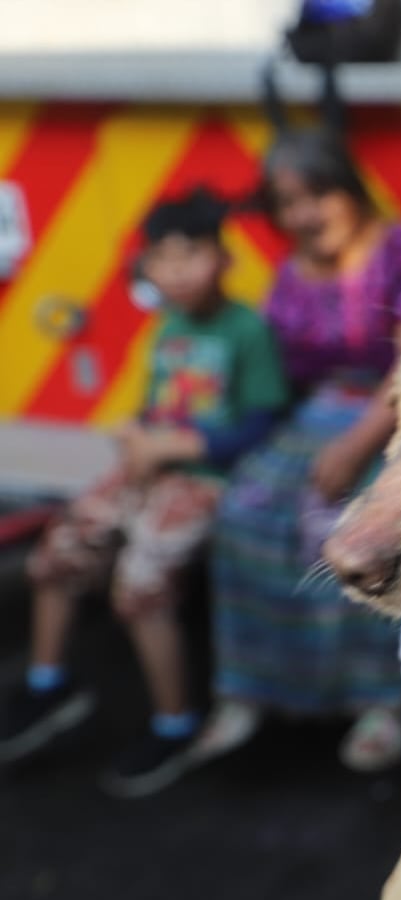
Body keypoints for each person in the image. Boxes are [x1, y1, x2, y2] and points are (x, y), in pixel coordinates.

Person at [0, 189, 289, 796]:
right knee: (57, 552)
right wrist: (137, 428)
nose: (179, 270)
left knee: (139, 584)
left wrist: (176, 448)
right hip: (149, 469)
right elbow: (163, 403)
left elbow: (261, 422)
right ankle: (48, 685)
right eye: (164, 258)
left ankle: (175, 721)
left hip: (206, 480)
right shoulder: (167, 328)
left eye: (193, 254)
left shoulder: (247, 330)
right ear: (146, 269)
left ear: (224, 258)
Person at [195, 132, 401, 773]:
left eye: (317, 194)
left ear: (349, 188)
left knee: (361, 529)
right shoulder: (288, 274)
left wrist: (357, 445)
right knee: (248, 514)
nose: (305, 214)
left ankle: (380, 703)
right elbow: (285, 378)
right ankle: (251, 690)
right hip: (314, 417)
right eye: (287, 203)